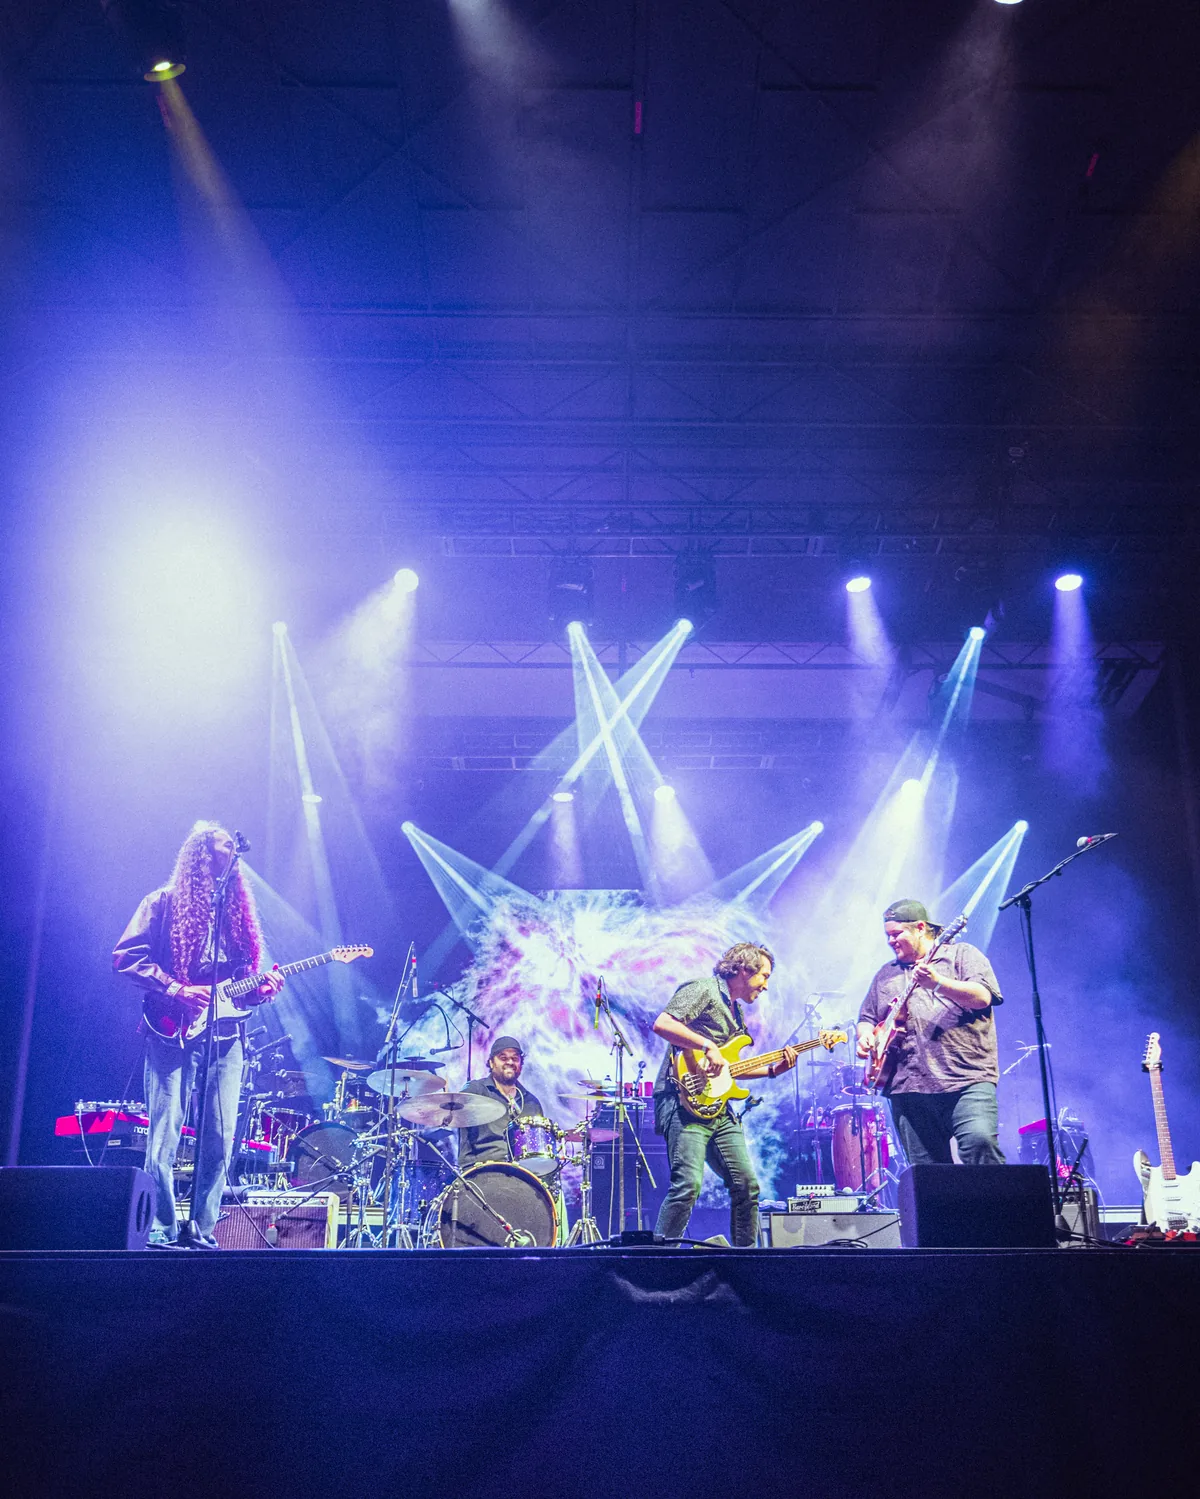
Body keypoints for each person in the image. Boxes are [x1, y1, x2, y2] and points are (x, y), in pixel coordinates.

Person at [113, 822, 283, 1248]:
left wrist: (260, 992)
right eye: (227, 841)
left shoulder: (237, 916)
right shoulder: (163, 903)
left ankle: (202, 1230)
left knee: (220, 1140)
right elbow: (125, 956)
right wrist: (174, 987)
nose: (235, 846)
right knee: (165, 1135)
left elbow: (238, 988)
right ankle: (165, 1227)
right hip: (172, 1031)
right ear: (203, 854)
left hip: (226, 1038)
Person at [651, 942, 798, 1248]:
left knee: (746, 1184)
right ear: (744, 970)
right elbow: (663, 1024)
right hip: (682, 1099)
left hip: (718, 1107)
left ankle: (746, 1263)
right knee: (687, 1186)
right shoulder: (703, 989)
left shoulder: (736, 1013)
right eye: (764, 976)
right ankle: (658, 1262)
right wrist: (707, 1045)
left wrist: (772, 1071)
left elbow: (730, 1069)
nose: (766, 986)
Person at [856, 899, 1005, 1167]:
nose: (890, 941)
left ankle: (1000, 1210)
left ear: (921, 928)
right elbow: (867, 1018)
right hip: (907, 1087)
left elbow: (983, 997)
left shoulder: (962, 955)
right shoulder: (885, 975)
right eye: (887, 935)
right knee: (928, 1175)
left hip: (965, 1079)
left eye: (896, 934)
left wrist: (938, 983)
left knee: (980, 1144)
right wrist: (865, 1036)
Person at [457, 1035, 545, 1171]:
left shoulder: (531, 1102)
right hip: (483, 1171)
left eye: (515, 1058)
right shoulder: (476, 1090)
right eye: (503, 1058)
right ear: (491, 1063)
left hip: (523, 1174)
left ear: (520, 1065)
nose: (510, 1062)